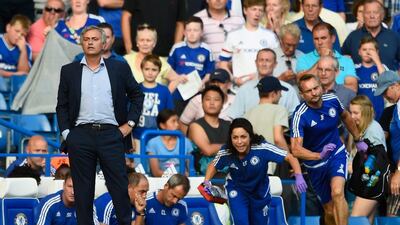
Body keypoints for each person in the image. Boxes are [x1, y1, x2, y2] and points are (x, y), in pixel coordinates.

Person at [56, 25, 144, 225]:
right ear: (81, 42)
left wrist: (129, 124)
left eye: (95, 39)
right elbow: (62, 105)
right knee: (83, 190)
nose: (90, 42)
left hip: (111, 135)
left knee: (120, 187)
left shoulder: (119, 67)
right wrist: (68, 134)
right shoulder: (69, 71)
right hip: (80, 136)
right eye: (86, 38)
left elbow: (137, 94)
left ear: (104, 43)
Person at [203, 118, 307, 225]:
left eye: (243, 137)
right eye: (235, 137)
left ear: (250, 136)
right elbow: (213, 164)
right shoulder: (226, 151)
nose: (239, 142)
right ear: (231, 138)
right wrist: (206, 181)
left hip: (260, 192)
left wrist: (299, 175)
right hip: (237, 190)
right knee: (241, 222)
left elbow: (290, 157)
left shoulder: (263, 148)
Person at [291, 74, 364, 225]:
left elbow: (346, 116)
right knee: (329, 211)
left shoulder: (332, 100)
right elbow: (296, 149)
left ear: (321, 86)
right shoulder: (299, 115)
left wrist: (358, 139)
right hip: (315, 165)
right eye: (309, 91)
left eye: (316, 88)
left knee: (337, 192)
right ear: (302, 94)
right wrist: (319, 155)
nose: (314, 93)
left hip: (336, 154)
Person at [219, 0, 279, 89]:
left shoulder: (270, 36)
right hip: (239, 88)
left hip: (264, 89)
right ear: (245, 10)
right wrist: (234, 80)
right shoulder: (233, 35)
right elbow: (223, 63)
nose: (257, 13)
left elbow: (278, 63)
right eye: (254, 9)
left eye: (260, 10)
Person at [227, 48, 299, 119]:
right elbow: (235, 117)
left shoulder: (288, 89)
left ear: (275, 64)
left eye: (268, 60)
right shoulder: (244, 90)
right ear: (256, 63)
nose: (264, 64)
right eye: (261, 60)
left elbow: (295, 117)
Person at [349, 95, 387, 224]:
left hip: (372, 182)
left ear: (365, 112)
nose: (352, 116)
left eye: (356, 113)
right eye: (351, 112)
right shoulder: (362, 129)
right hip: (368, 182)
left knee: (355, 219)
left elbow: (378, 161)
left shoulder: (373, 130)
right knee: (367, 221)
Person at [167, 16, 215, 115]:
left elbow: (209, 73)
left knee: (194, 122)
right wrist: (177, 78)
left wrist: (203, 82)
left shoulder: (206, 50)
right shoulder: (177, 48)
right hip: (177, 94)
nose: (192, 33)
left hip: (197, 94)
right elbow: (168, 69)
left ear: (201, 32)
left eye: (196, 30)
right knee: (175, 120)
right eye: (189, 30)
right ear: (184, 32)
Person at [296, 22, 358, 93]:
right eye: (316, 39)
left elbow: (353, 88)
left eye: (323, 38)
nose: (319, 42)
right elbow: (302, 84)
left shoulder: (346, 61)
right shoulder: (303, 59)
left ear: (333, 39)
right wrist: (322, 59)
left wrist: (329, 91)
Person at [342, 0, 400, 71]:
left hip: (389, 81)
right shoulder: (353, 37)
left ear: (382, 15)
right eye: (368, 12)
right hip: (358, 81)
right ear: (363, 16)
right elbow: (341, 62)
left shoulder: (393, 37)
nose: (372, 16)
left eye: (375, 12)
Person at [132, 54, 174, 152]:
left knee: (155, 165)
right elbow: (129, 114)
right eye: (147, 69)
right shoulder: (135, 89)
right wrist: (130, 138)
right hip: (137, 136)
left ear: (159, 71)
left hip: (158, 138)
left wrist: (166, 136)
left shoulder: (164, 91)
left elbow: (169, 115)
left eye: (154, 70)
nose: (150, 73)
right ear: (141, 69)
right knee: (139, 166)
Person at [188, 85, 230, 175]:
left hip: (228, 177)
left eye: (216, 99)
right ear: (202, 103)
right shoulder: (195, 126)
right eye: (208, 99)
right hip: (202, 178)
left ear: (222, 104)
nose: (212, 103)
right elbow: (208, 150)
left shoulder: (229, 125)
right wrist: (230, 146)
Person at [374, 70, 400, 216]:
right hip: (395, 170)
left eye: (385, 92)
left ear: (395, 85)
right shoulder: (393, 109)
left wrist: (399, 172)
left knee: (391, 218)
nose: (384, 96)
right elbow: (381, 140)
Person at [121, 0, 186, 56]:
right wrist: (128, 48)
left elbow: (180, 23)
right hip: (137, 53)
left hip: (166, 55)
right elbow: (126, 16)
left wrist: (174, 52)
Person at [179, 68, 234, 134]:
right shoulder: (197, 100)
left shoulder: (236, 101)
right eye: (213, 82)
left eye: (220, 82)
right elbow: (183, 123)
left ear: (229, 85)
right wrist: (190, 141)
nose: (216, 85)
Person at [146, 109, 194, 177]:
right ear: (162, 125)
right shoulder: (153, 143)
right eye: (173, 121)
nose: (177, 124)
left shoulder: (186, 142)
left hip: (182, 181)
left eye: (177, 121)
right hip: (159, 180)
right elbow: (155, 172)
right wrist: (176, 177)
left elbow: (190, 169)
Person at [355, 36, 387, 120]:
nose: (368, 52)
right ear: (359, 52)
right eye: (364, 50)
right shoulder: (354, 69)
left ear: (377, 52)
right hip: (361, 115)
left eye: (371, 50)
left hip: (380, 113)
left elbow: (386, 81)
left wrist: (377, 60)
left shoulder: (381, 67)